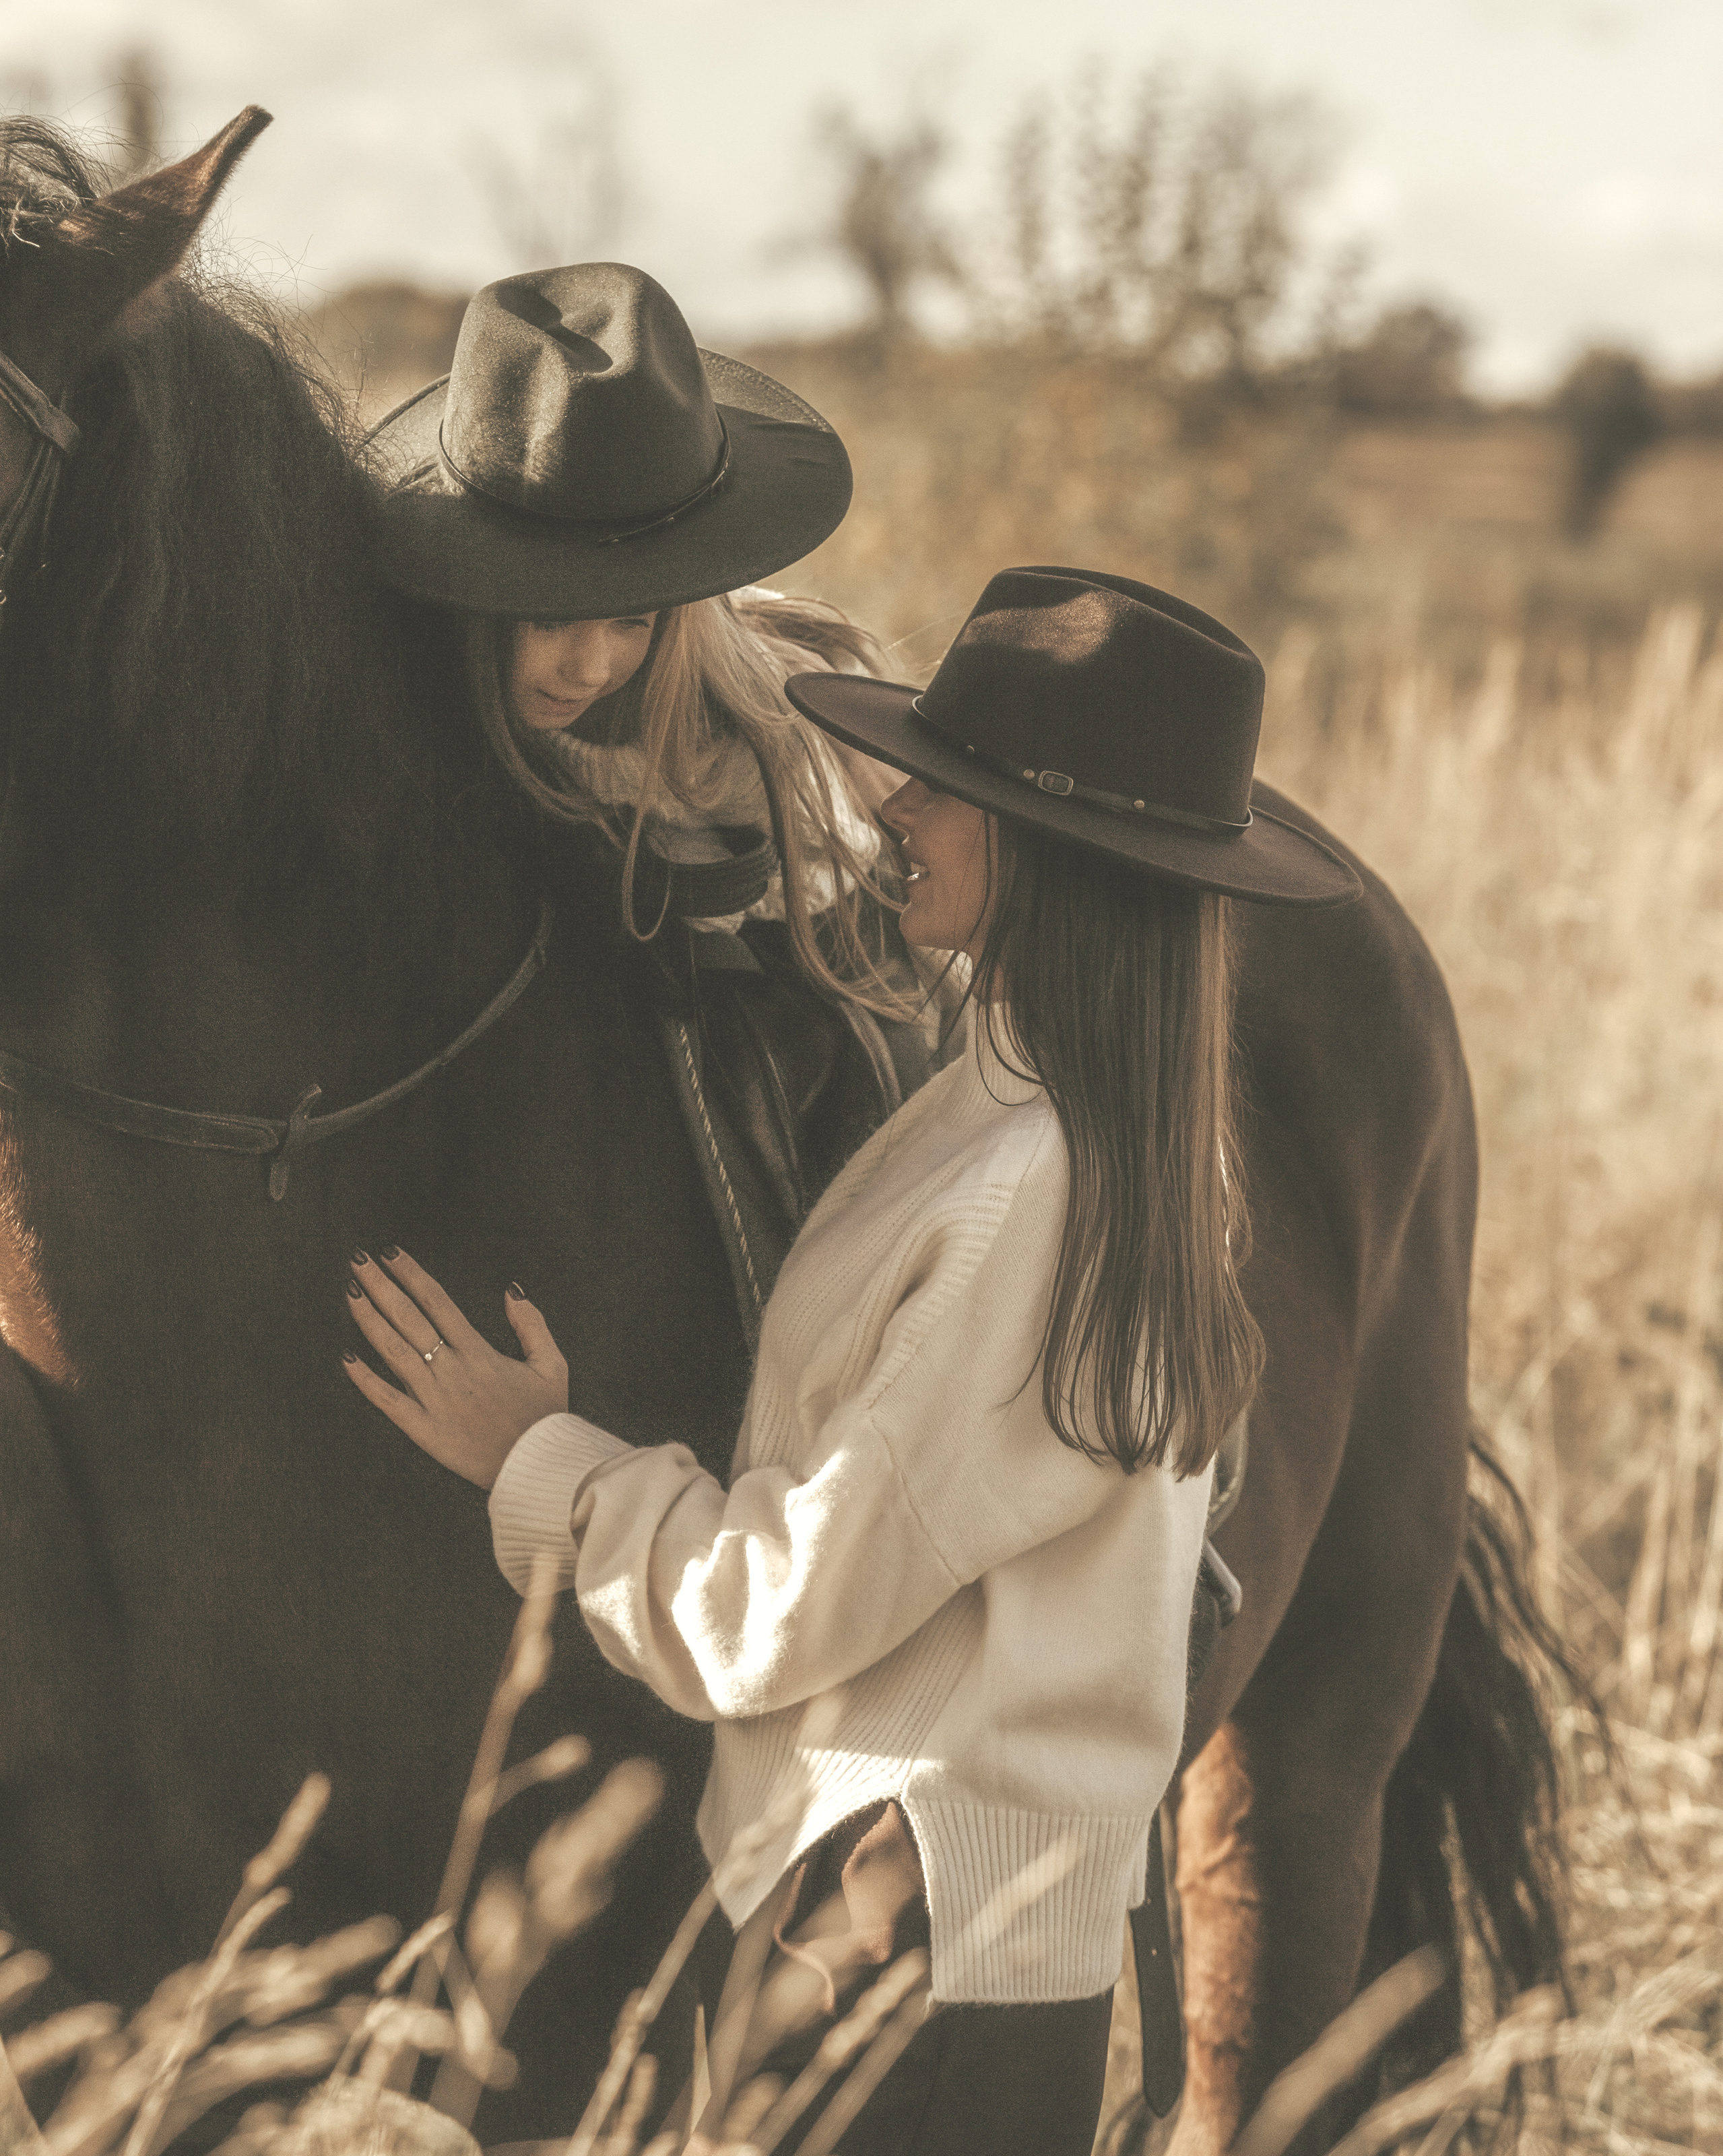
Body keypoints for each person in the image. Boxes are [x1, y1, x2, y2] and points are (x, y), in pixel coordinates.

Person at [341, 565, 1360, 2153]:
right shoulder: (1073, 1131)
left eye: (948, 789)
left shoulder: (1033, 1184)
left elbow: (786, 1611)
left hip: (891, 1937)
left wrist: (539, 1461)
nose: (892, 802)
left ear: (1049, 853)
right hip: (945, 1933)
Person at [365, 263, 939, 1345]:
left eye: (632, 619)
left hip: (751, 921)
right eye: (545, 615)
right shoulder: (396, 675)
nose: (589, 663)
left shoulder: (741, 719)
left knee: (847, 1049)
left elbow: (850, 854)